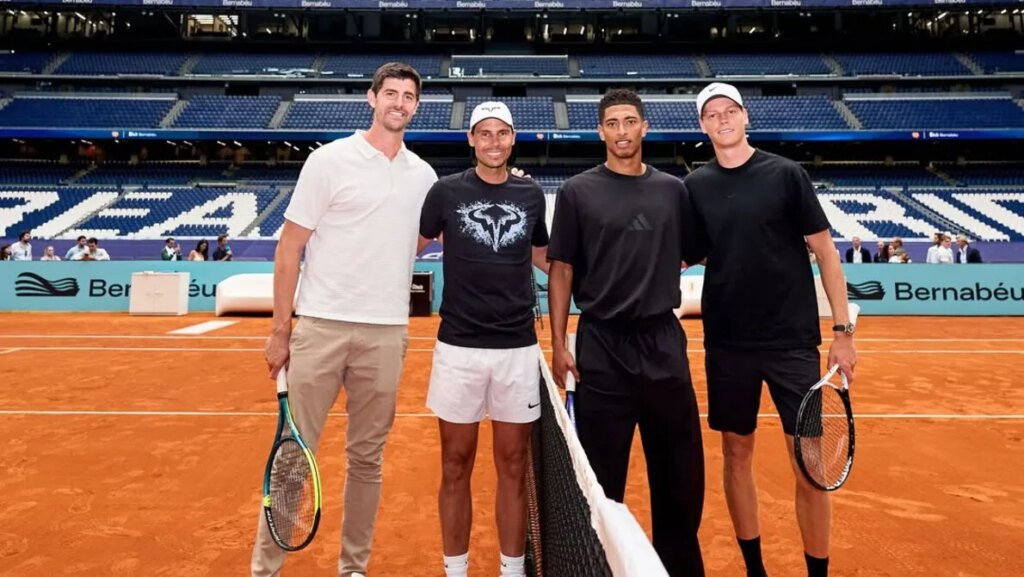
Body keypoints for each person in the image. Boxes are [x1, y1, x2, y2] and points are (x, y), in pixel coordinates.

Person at [253, 62, 438, 577]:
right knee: (293, 457)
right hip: (321, 327)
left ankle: (353, 568)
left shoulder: (424, 176)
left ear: (417, 106)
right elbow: (290, 246)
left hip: (385, 334)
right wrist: (279, 329)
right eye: (391, 93)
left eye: (408, 96)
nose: (399, 103)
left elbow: (416, 240)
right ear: (371, 98)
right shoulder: (329, 161)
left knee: (367, 462)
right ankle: (265, 569)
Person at [684, 82, 857, 577]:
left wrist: (843, 332)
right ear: (703, 126)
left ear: (745, 116)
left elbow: (826, 253)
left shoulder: (787, 175)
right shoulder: (694, 187)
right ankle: (755, 570)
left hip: (791, 345)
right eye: (711, 114)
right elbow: (678, 256)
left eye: (730, 111)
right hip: (728, 345)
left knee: (810, 464)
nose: (722, 119)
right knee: (735, 454)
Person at [547, 88, 705, 577]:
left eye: (629, 121)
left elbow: (693, 250)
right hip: (601, 345)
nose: (621, 131)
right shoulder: (577, 191)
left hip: (662, 341)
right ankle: (599, 567)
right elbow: (561, 270)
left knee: (679, 478)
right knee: (600, 480)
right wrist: (559, 342)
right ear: (600, 131)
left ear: (644, 127)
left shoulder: (673, 190)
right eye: (612, 123)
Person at [418, 101, 550, 577]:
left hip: (517, 348)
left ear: (512, 139)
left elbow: (545, 258)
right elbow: (402, 249)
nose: (494, 141)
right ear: (471, 139)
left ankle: (511, 570)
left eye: (503, 133)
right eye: (485, 133)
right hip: (458, 346)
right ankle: (456, 570)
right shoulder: (445, 192)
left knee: (514, 465)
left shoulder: (532, 196)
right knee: (455, 463)